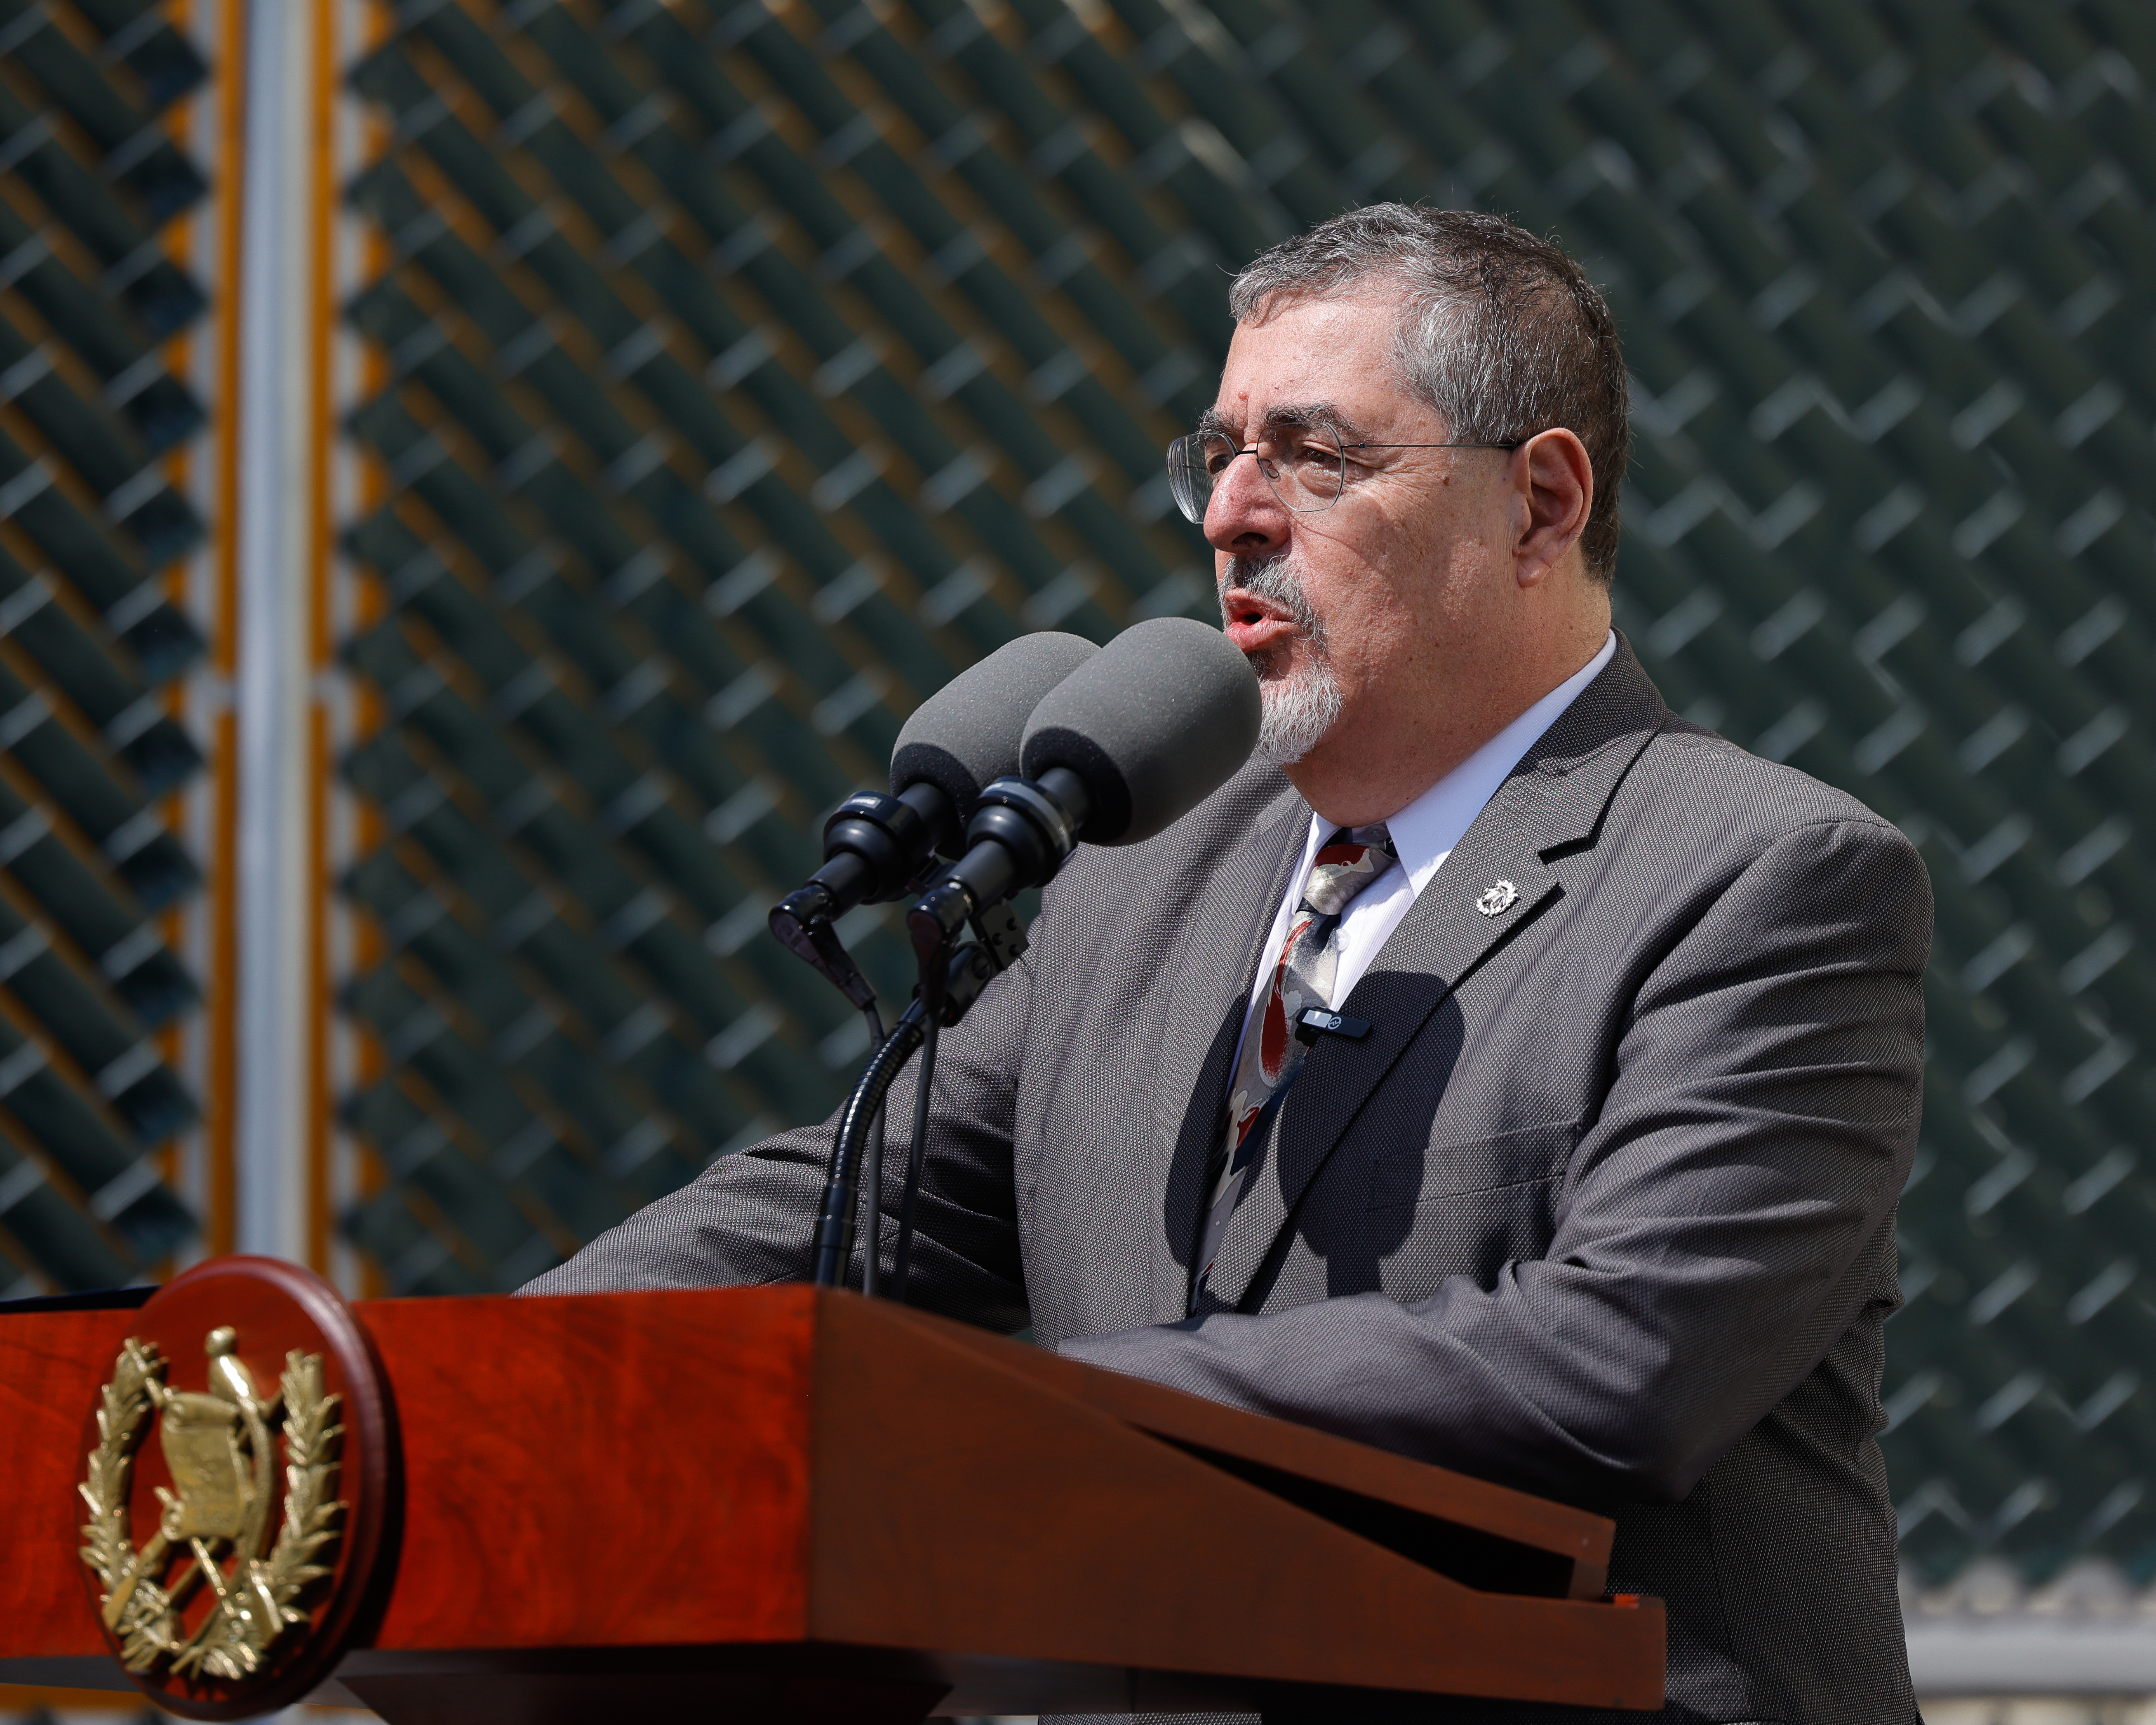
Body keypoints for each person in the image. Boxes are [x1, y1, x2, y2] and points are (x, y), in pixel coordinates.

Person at [529, 204, 1930, 1725]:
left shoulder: (1765, 877)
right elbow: (856, 1208)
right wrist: (493, 1382)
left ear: (1539, 506)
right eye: (1221, 456)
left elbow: (1616, 1365)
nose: (1231, 518)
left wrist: (1023, 1423)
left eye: (1315, 458)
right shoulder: (1147, 869)